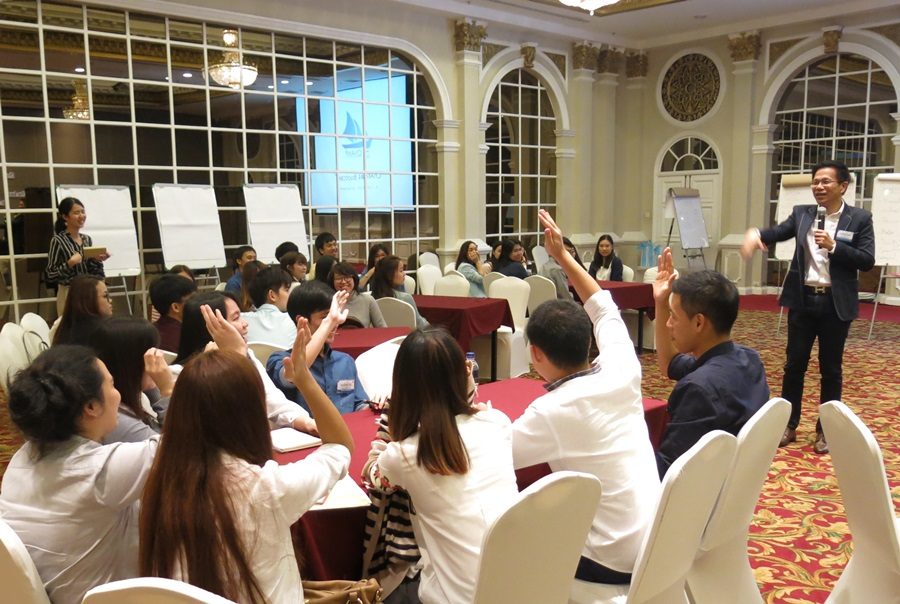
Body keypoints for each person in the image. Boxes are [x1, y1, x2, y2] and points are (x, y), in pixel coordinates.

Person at [139, 321, 354, 603]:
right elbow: (340, 447)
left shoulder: (160, 478)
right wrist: (303, 379)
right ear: (250, 415)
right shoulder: (267, 489)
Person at [511, 209, 659, 586]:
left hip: (610, 559)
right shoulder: (623, 367)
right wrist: (563, 256)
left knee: (509, 537)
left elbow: (489, 458)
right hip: (658, 541)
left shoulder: (551, 410)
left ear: (535, 354)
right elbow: (603, 307)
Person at [0, 345, 160, 604]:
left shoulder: (22, 458)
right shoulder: (99, 471)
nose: (118, 395)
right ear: (91, 407)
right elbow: (185, 444)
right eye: (112, 385)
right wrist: (165, 389)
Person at [374, 328, 518, 603]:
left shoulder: (403, 455)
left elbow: (375, 474)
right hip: (525, 585)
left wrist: (388, 429)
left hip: (459, 597)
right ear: (464, 373)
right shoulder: (497, 421)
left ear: (402, 388)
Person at [740, 160, 875, 454]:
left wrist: (835, 246)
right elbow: (779, 231)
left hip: (835, 304)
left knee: (831, 369)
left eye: (826, 181)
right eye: (815, 181)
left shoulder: (860, 219)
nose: (818, 187)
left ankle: (826, 430)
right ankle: (788, 424)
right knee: (794, 365)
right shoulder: (803, 213)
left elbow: (867, 259)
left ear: (843, 186)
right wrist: (756, 235)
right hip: (803, 301)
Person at [652, 248, 769, 475]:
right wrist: (661, 303)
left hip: (697, 490)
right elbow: (669, 364)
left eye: (673, 317)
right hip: (733, 480)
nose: (668, 324)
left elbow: (667, 471)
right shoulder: (750, 360)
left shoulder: (698, 388)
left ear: (699, 323)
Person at [173, 291, 318, 435]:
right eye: (236, 318)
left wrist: (307, 423)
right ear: (211, 327)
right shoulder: (180, 374)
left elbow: (275, 403)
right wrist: (238, 357)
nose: (245, 324)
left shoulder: (248, 356)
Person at [267, 281, 369, 415]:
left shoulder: (345, 361)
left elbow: (359, 404)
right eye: (325, 317)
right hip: (307, 428)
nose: (335, 323)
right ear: (302, 320)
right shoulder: (279, 360)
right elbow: (293, 375)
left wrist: (378, 406)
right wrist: (329, 322)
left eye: (334, 315)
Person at [89, 317, 175, 443]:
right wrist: (167, 390)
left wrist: (155, 386)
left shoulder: (136, 395)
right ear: (132, 364)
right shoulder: (117, 420)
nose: (159, 360)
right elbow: (177, 447)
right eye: (151, 356)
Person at [45, 197, 110, 315]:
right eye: (76, 213)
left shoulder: (87, 239)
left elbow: (91, 270)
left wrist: (97, 259)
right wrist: (70, 263)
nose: (82, 216)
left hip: (87, 292)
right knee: (71, 325)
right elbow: (50, 274)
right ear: (65, 217)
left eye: (83, 212)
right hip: (68, 293)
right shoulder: (58, 240)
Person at [242, 266, 297, 349]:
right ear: (272, 295)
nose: (290, 295)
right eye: (286, 290)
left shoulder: (241, 320)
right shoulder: (294, 320)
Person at [52, 274, 113, 346]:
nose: (110, 300)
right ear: (88, 300)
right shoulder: (106, 334)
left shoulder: (60, 329)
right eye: (105, 296)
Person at [371, 255, 429, 329]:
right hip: (406, 335)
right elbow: (420, 324)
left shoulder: (371, 299)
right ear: (389, 275)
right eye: (401, 271)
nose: (404, 274)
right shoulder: (405, 298)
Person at [330, 261, 387, 328]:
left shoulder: (368, 300)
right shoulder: (328, 302)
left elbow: (382, 328)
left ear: (354, 279)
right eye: (339, 278)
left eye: (347, 277)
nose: (343, 281)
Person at [149, 273, 197, 352]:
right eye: (192, 299)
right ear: (175, 307)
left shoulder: (151, 332)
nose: (197, 302)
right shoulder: (186, 337)